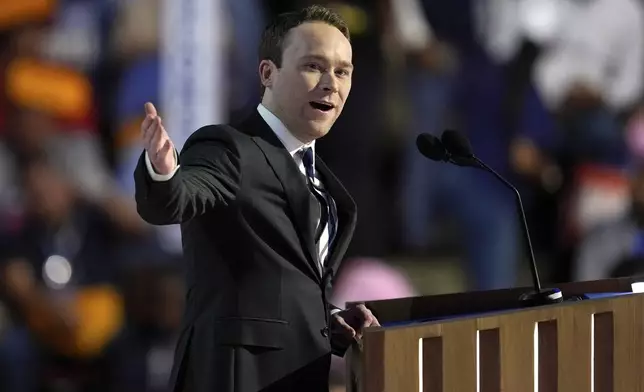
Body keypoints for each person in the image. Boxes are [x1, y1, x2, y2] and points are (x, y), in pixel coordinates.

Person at [133, 5, 379, 392]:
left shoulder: (321, 179)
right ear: (268, 73)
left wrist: (326, 320)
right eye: (314, 65)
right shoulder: (228, 148)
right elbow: (173, 200)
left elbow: (279, 287)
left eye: (342, 71)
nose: (331, 83)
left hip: (298, 375)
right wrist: (163, 172)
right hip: (236, 377)